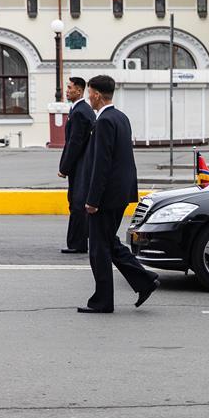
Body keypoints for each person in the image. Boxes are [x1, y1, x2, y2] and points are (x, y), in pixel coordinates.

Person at [79, 75, 159, 314]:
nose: (88, 98)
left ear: (96, 94)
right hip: (120, 192)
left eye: (89, 93)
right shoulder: (120, 117)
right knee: (108, 242)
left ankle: (103, 301)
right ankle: (144, 280)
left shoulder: (104, 121)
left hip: (106, 196)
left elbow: (102, 164)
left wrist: (93, 200)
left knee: (99, 248)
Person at [58, 77, 95, 254]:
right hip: (82, 163)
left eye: (70, 87)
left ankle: (77, 243)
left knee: (78, 203)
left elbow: (75, 142)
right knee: (78, 202)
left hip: (81, 164)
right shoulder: (81, 109)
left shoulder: (80, 112)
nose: (67, 90)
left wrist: (64, 167)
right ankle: (80, 241)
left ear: (79, 91)